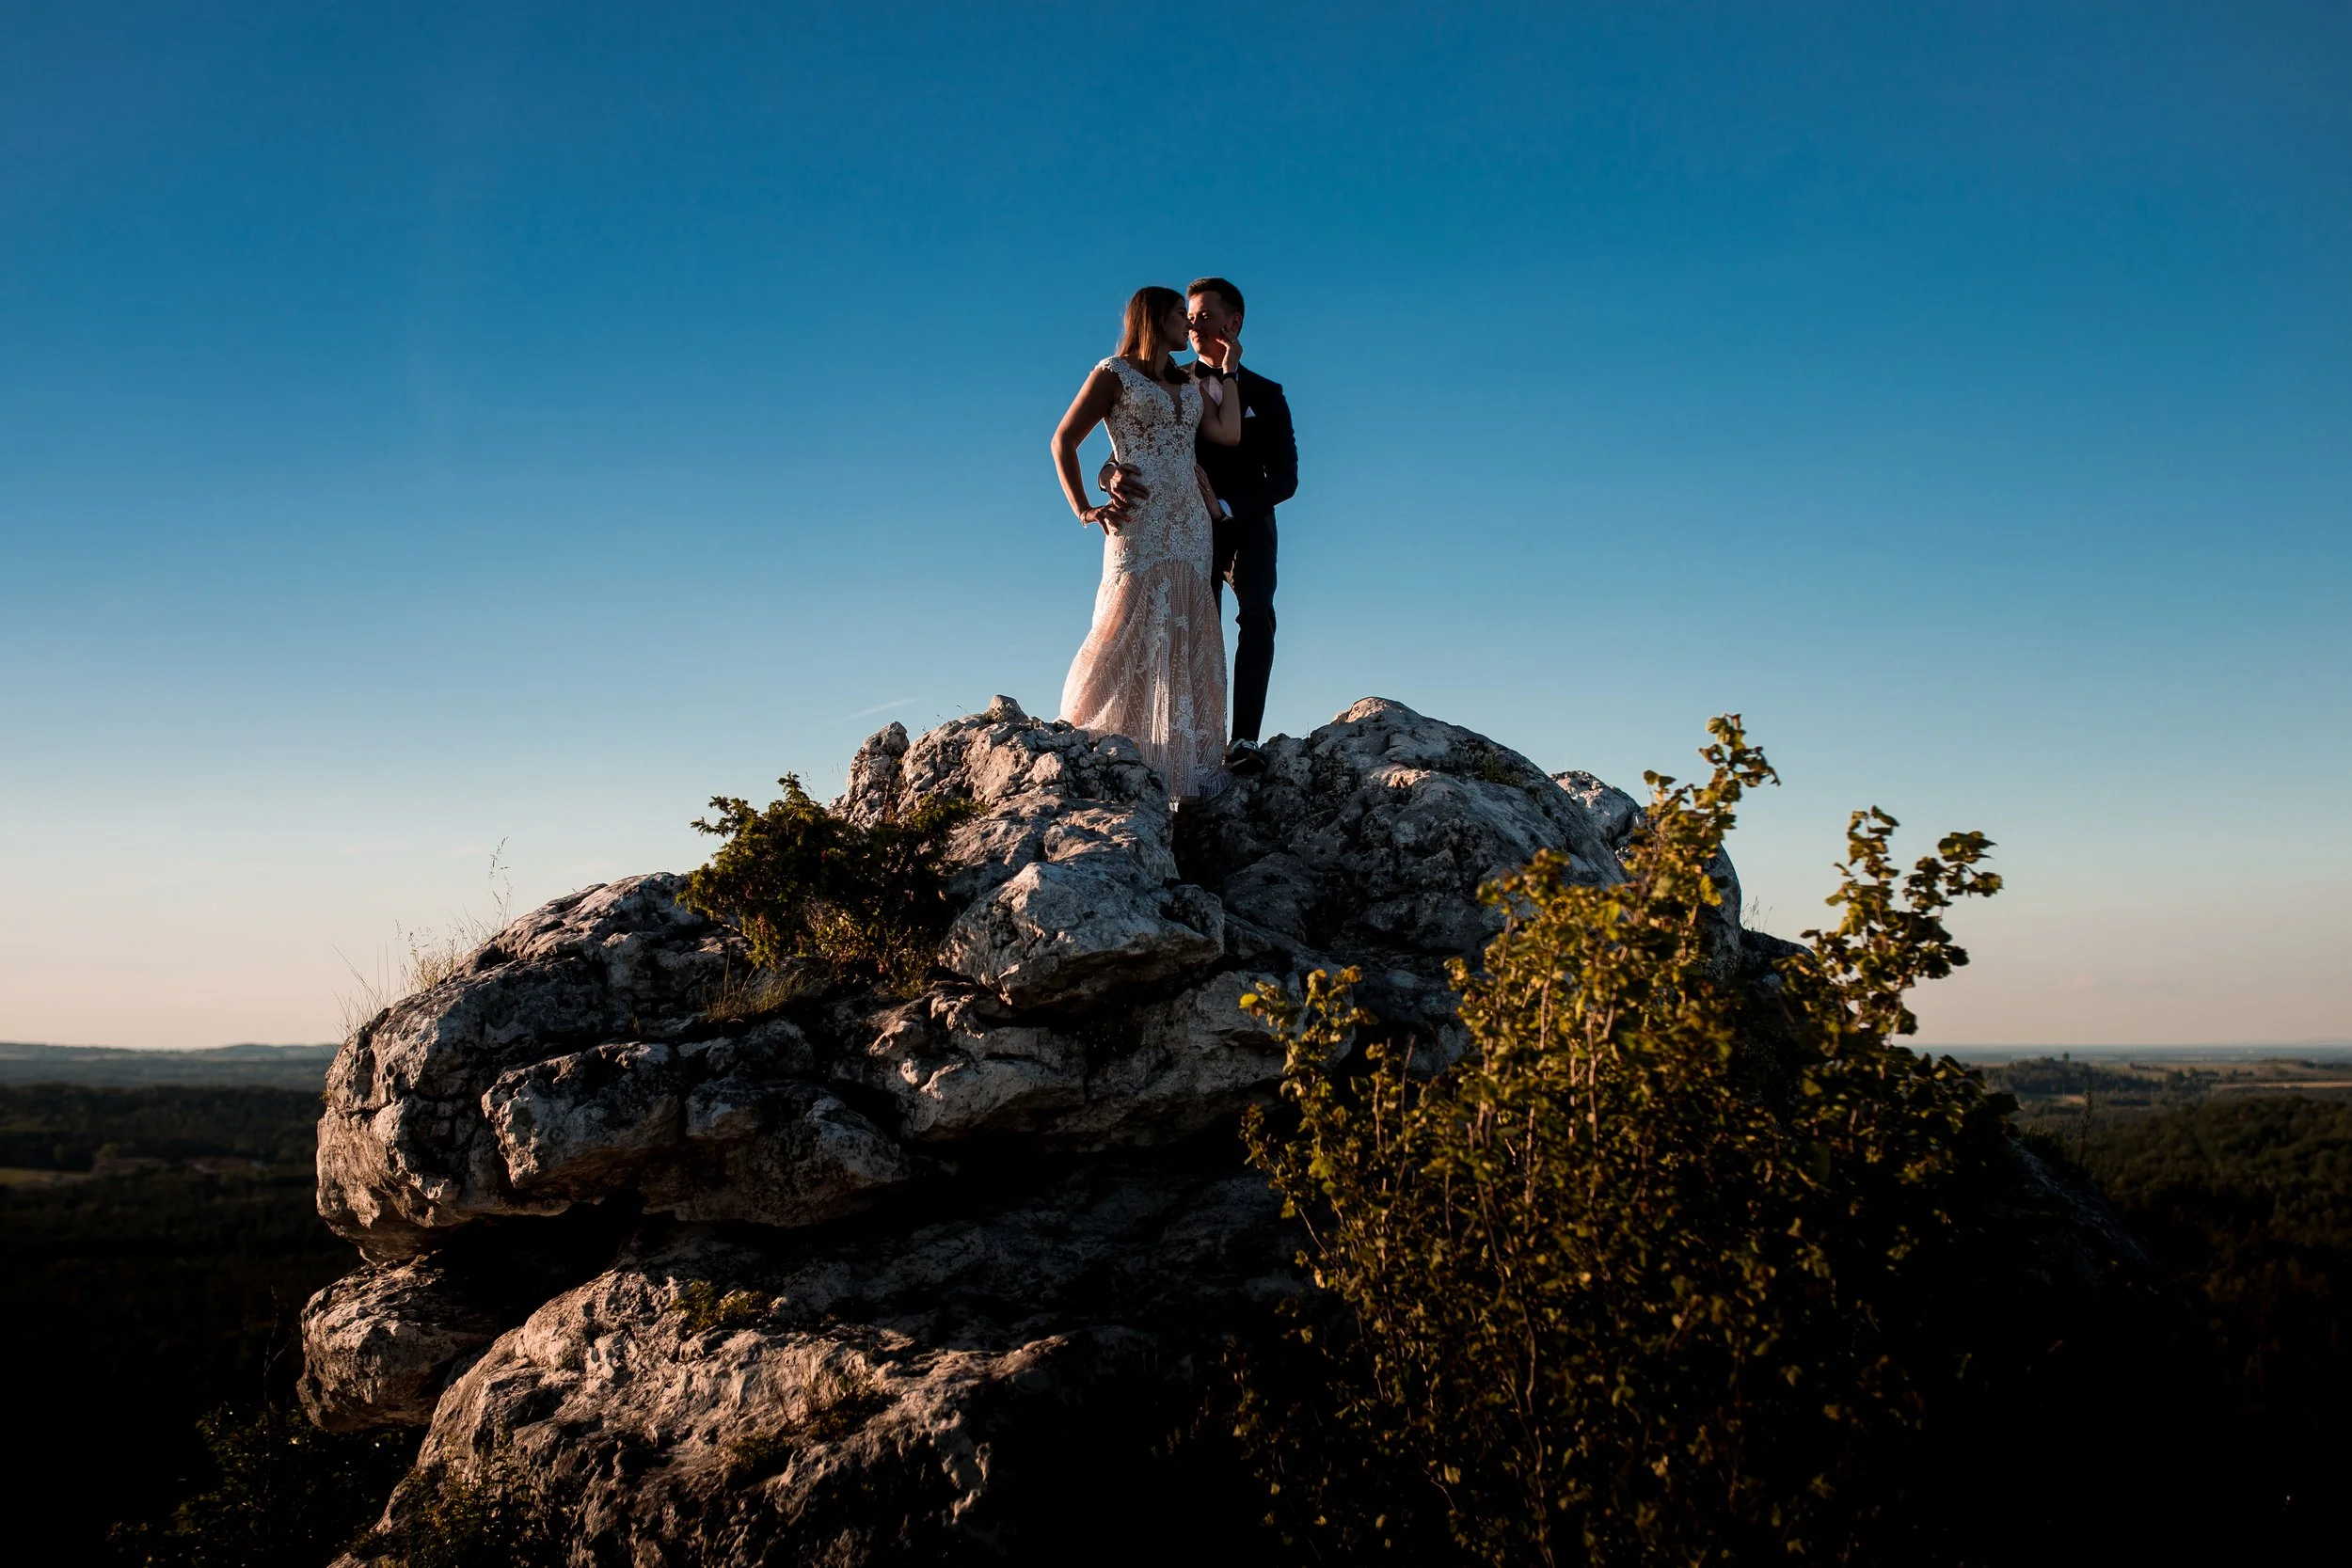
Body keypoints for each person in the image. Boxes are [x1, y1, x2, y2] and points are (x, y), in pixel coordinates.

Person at [1051, 285, 1243, 801]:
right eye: (1182, 314)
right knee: (1126, 623)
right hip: (1140, 523)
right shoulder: (1113, 373)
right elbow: (1063, 440)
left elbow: (1227, 434)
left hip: (1190, 526)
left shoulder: (1189, 379)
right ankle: (1096, 745)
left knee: (1186, 633)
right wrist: (1086, 508)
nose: (1189, 324)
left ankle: (1182, 768)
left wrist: (1230, 364)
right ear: (1155, 318)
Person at [1101, 277, 1295, 775]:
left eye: (1206, 315)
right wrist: (1108, 476)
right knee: (1188, 633)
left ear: (1235, 323)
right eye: (1188, 316)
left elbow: (1287, 478)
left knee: (1257, 616)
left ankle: (1244, 741)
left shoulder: (1268, 394)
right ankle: (1182, 753)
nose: (1193, 324)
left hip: (1246, 525)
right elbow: (1131, 444)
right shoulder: (1173, 380)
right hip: (1185, 529)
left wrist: (1228, 506)